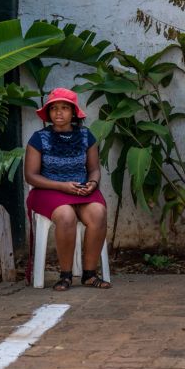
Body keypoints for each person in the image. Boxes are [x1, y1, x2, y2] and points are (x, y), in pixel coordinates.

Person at [24, 87, 111, 291]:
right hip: (48, 189)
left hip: (81, 189)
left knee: (98, 212)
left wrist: (93, 184)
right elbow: (31, 176)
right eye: (54, 108)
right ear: (48, 113)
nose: (59, 113)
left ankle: (89, 274)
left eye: (64, 108)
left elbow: (94, 169)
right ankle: (65, 275)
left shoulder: (85, 136)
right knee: (66, 216)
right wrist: (62, 186)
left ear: (73, 112)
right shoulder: (39, 138)